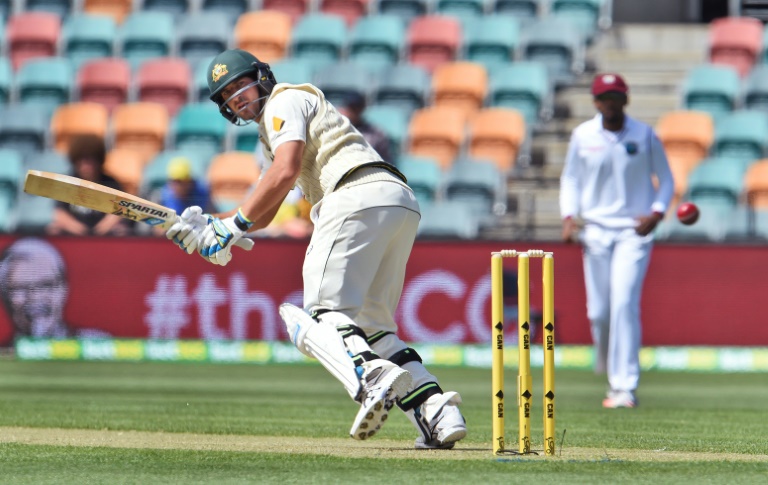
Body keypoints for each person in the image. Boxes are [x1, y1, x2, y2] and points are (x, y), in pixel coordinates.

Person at [165, 49, 467, 448]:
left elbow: (285, 170)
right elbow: (269, 208)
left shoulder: (284, 101)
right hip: (396, 202)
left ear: (262, 77)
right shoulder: (275, 126)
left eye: (241, 85)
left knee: (321, 316)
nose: (237, 97)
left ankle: (369, 374)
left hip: (352, 197)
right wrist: (213, 224)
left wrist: (232, 227)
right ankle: (437, 412)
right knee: (374, 328)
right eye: (228, 95)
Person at [559, 73, 674, 409]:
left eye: (616, 96)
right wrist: (569, 217)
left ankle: (623, 387)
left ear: (626, 99)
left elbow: (666, 182)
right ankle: (608, 361)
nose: (611, 102)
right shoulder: (583, 135)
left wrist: (655, 213)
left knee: (624, 303)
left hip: (632, 233)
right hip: (594, 231)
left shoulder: (645, 134)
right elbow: (571, 180)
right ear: (596, 102)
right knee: (599, 312)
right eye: (605, 97)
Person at [0, 238, 109, 345]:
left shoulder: (95, 343)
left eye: (45, 285)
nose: (35, 297)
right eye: (20, 287)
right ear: (4, 295)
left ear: (64, 289)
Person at [46, 134, 130, 236]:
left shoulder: (111, 183)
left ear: (99, 160)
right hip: (74, 233)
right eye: (81, 161)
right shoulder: (66, 183)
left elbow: (118, 212)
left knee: (121, 230)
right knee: (53, 228)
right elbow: (60, 213)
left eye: (90, 160)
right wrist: (79, 229)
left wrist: (102, 228)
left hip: (104, 234)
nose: (85, 166)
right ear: (75, 161)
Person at [147, 157, 215, 236]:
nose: (176, 186)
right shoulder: (161, 197)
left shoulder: (202, 194)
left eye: (180, 182)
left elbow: (211, 220)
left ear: (188, 181)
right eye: (173, 181)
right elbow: (156, 229)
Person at [336, 92, 393, 164]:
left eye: (356, 107)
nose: (353, 112)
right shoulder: (335, 131)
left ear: (362, 108)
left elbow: (386, 161)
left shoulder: (376, 134)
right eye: (350, 107)